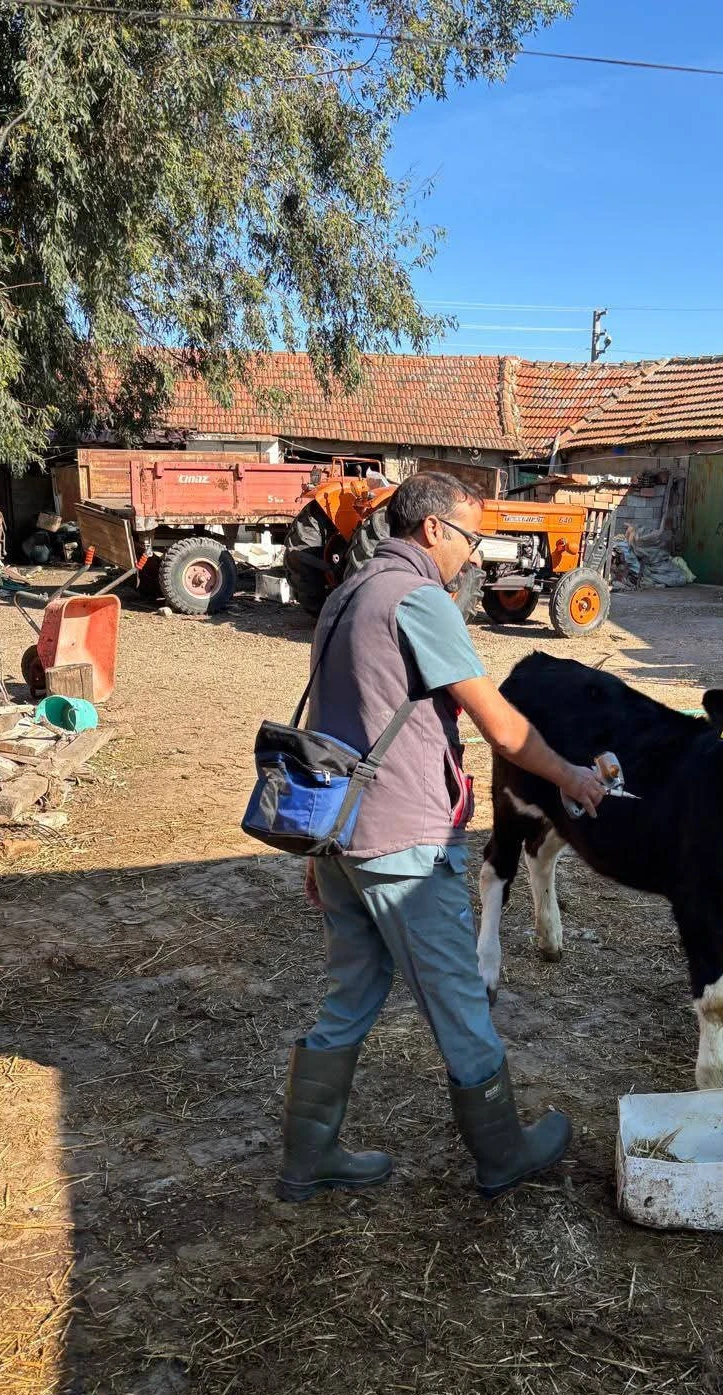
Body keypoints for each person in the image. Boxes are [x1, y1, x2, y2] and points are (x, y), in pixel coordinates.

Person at [278, 471, 607, 1205]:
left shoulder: (346, 594)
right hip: (403, 838)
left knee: (351, 994)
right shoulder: (419, 600)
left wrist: (320, 848)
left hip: (340, 832)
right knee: (458, 996)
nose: (475, 554)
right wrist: (571, 777)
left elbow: (331, 715)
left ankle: (309, 1156)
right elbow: (501, 725)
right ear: (433, 530)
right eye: (471, 538)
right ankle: (503, 1152)